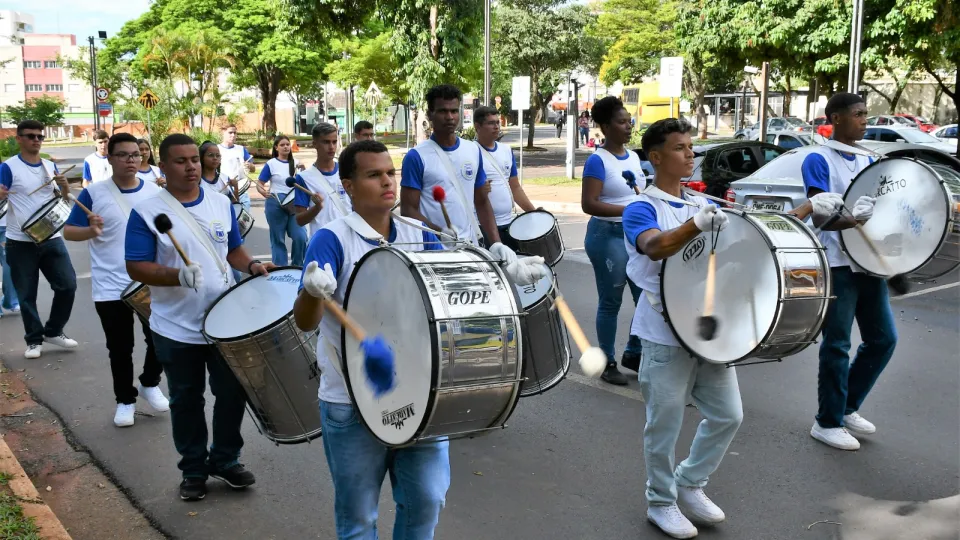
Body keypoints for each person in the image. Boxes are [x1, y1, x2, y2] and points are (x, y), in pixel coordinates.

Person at [293, 140, 542, 539]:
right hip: (352, 400)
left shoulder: (419, 234)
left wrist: (500, 265)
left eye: (390, 172)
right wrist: (311, 291)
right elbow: (305, 322)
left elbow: (457, 296)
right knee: (359, 518)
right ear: (349, 185)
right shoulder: (333, 239)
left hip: (423, 394)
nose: (387, 181)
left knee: (427, 499)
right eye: (374, 175)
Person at [125, 133, 273, 502]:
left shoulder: (221, 203)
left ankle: (225, 460)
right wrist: (176, 275)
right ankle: (193, 468)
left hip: (224, 321)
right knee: (186, 399)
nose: (191, 166)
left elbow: (234, 250)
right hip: (176, 326)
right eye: (181, 161)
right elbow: (136, 266)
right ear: (163, 167)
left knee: (232, 393)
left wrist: (252, 265)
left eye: (194, 159)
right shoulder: (146, 211)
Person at [622, 118, 742, 539]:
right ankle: (661, 501)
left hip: (708, 331)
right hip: (662, 335)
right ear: (656, 158)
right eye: (680, 148)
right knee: (664, 425)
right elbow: (655, 246)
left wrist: (805, 214)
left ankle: (690, 483)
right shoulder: (643, 207)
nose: (690, 154)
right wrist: (696, 226)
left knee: (729, 415)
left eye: (691, 147)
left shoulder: (699, 203)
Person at [798, 92, 890, 452]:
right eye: (858, 114)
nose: (865, 120)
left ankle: (846, 405)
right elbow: (821, 216)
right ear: (835, 118)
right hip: (835, 263)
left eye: (866, 113)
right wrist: (855, 219)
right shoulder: (818, 158)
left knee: (884, 339)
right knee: (836, 344)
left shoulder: (871, 158)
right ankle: (827, 421)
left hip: (868, 261)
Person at [63, 133, 169, 428]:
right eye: (123, 155)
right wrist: (90, 232)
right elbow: (69, 231)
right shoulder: (94, 193)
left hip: (147, 280)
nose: (131, 160)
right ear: (109, 158)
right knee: (120, 348)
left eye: (135, 154)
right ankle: (125, 400)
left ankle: (150, 382)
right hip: (110, 286)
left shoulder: (153, 191)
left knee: (159, 338)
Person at [400, 84, 517, 268]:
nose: (449, 117)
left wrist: (496, 243)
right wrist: (440, 232)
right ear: (430, 114)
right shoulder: (416, 157)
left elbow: (481, 201)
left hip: (470, 249)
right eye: (442, 111)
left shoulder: (472, 150)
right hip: (433, 253)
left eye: (454, 111)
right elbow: (408, 210)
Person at [580, 96, 645, 385]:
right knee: (611, 301)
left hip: (635, 235)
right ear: (606, 127)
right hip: (606, 236)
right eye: (621, 121)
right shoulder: (597, 160)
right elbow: (589, 204)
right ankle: (608, 361)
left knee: (647, 297)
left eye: (629, 119)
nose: (628, 125)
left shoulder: (632, 157)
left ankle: (634, 351)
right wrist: (629, 209)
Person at [0, 120, 78, 359]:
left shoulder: (49, 166)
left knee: (68, 285)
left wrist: (64, 188)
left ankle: (53, 331)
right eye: (30, 136)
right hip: (19, 241)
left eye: (39, 136)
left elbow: (62, 201)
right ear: (19, 139)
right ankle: (33, 340)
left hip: (51, 237)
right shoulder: (8, 167)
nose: (36, 140)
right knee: (26, 294)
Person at [473, 105, 538, 248]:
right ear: (477, 126)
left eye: (497, 122)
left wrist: (534, 213)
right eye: (491, 123)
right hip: (481, 226)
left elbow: (515, 187)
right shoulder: (469, 151)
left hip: (508, 224)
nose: (496, 127)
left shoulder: (506, 150)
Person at [294, 123, 351, 238]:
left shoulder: (348, 171)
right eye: (326, 142)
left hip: (348, 239)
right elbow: (300, 220)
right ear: (315, 144)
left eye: (334, 142)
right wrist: (317, 207)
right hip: (322, 241)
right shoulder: (304, 178)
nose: (331, 147)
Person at [258, 135, 307, 266]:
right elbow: (260, 183)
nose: (286, 147)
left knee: (300, 236)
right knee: (278, 239)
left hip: (294, 204)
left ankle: (297, 266)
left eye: (287, 144)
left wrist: (304, 169)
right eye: (282, 145)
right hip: (275, 202)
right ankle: (280, 268)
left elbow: (305, 183)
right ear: (276, 148)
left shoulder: (296, 163)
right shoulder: (271, 164)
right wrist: (262, 191)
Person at [217, 124, 254, 213]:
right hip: (224, 190)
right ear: (223, 132)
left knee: (244, 222)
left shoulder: (241, 149)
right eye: (230, 132)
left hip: (241, 190)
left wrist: (250, 166)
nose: (233, 135)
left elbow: (253, 169)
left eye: (235, 133)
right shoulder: (216, 149)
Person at [0, 195, 20, 318]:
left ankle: (10, 300)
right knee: (9, 264)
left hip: (8, 223)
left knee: (9, 265)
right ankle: (10, 301)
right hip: (7, 223)